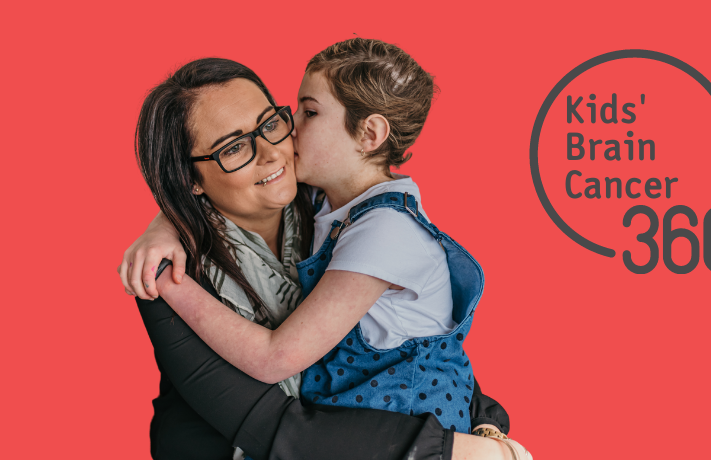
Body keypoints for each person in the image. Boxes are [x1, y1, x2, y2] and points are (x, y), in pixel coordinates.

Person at [122, 56, 528, 459]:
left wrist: (486, 425)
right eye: (233, 148)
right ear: (188, 178)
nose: (272, 151)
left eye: (270, 124)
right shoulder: (167, 276)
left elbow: (414, 337)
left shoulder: (332, 210)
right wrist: (454, 450)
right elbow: (279, 429)